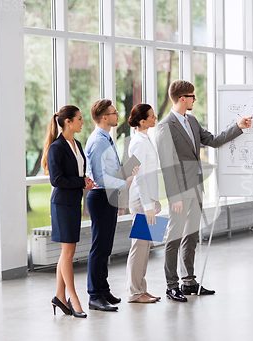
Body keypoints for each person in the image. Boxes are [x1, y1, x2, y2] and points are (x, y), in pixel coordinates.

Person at [156, 79, 252, 302]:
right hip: (180, 192)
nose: (194, 99)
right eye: (192, 96)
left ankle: (188, 281)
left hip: (196, 188)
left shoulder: (191, 120)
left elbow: (213, 140)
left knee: (191, 235)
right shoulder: (165, 126)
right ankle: (171, 286)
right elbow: (167, 165)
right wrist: (175, 196)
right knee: (174, 238)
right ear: (182, 98)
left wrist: (238, 127)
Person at [41, 105, 95, 318]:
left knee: (67, 252)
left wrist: (85, 181)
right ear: (68, 122)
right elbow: (56, 179)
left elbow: (78, 172)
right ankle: (73, 297)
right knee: (68, 252)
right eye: (80, 119)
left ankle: (59, 296)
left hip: (74, 203)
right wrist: (80, 181)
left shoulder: (77, 143)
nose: (83, 122)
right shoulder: (57, 147)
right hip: (62, 204)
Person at [85, 99, 138, 312]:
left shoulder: (106, 138)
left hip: (109, 195)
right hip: (101, 196)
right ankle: (94, 295)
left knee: (106, 246)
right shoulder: (98, 141)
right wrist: (123, 183)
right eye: (114, 113)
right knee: (99, 247)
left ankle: (103, 289)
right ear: (104, 117)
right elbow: (98, 176)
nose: (118, 115)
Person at [125, 104, 162, 304]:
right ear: (142, 121)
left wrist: (154, 201)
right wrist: (147, 205)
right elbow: (139, 177)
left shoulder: (145, 138)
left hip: (146, 199)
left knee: (145, 246)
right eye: (152, 116)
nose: (155, 118)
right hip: (140, 201)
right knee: (139, 246)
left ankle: (141, 289)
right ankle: (134, 292)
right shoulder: (138, 142)